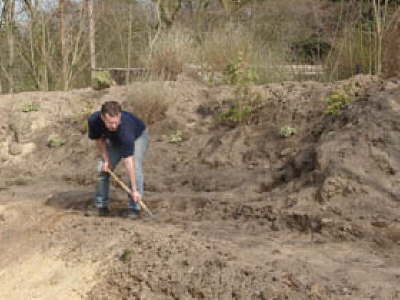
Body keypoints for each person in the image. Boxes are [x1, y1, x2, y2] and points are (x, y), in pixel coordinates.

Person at [87, 101, 149, 218]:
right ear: (102, 117)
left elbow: (129, 162)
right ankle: (101, 206)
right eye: (110, 123)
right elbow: (99, 140)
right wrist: (106, 160)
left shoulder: (126, 128)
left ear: (120, 116)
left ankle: (134, 207)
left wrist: (134, 190)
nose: (114, 126)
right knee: (102, 169)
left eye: (116, 122)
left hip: (138, 137)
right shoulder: (94, 121)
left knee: (135, 168)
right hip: (114, 140)